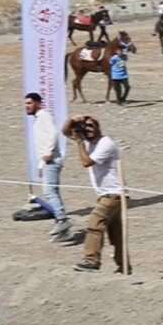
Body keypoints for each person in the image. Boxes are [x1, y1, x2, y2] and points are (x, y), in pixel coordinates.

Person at [63, 114, 128, 273]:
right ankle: (124, 267)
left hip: (114, 193)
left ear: (99, 127)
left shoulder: (105, 143)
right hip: (106, 194)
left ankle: (91, 260)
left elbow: (86, 162)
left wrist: (79, 142)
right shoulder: (87, 141)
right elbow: (65, 132)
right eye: (86, 127)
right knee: (116, 235)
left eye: (92, 126)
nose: (88, 130)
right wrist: (72, 120)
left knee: (94, 222)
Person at [26, 92, 70, 238]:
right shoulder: (37, 119)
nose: (27, 106)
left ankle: (62, 220)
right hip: (47, 162)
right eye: (26, 104)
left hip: (51, 160)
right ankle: (64, 231)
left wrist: (48, 153)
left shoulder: (44, 115)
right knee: (53, 192)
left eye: (30, 103)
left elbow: (53, 133)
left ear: (38, 103)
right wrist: (40, 164)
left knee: (49, 192)